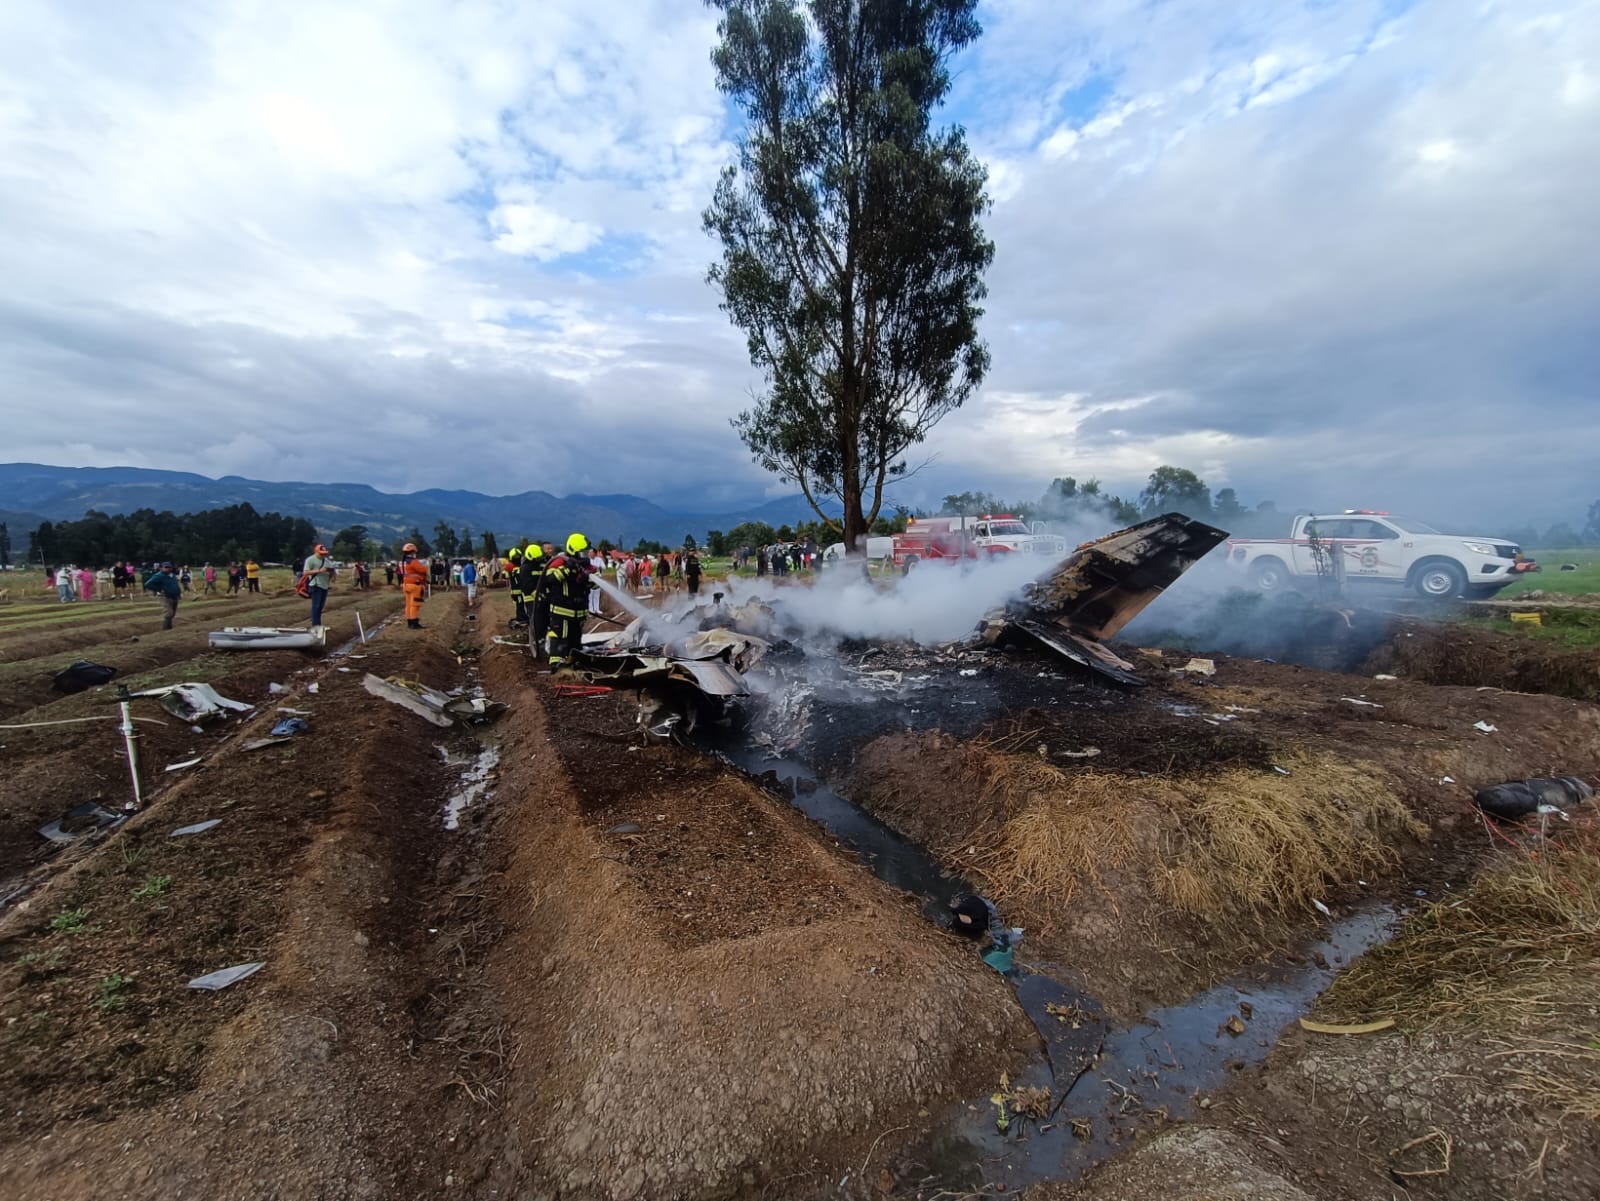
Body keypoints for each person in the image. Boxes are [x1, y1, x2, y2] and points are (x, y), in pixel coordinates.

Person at [542, 533, 595, 669]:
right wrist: (567, 570)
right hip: (562, 611)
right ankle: (557, 667)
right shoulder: (560, 562)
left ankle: (574, 662)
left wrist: (590, 581)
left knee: (575, 640)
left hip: (578, 612)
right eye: (581, 552)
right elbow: (549, 579)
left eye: (585, 552)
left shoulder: (584, 565)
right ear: (573, 550)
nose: (584, 555)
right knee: (560, 638)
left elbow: (592, 580)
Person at [520, 544, 548, 657]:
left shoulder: (542, 565)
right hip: (531, 599)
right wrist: (535, 594)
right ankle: (537, 642)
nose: (537, 560)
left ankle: (546, 640)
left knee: (546, 619)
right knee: (536, 621)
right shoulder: (525, 568)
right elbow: (526, 585)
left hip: (543, 597)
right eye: (536, 558)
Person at [302, 542, 333, 628]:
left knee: (321, 606)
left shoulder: (326, 561)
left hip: (324, 585)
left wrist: (331, 573)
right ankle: (315, 625)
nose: (323, 555)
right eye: (321, 554)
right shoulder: (310, 560)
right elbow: (305, 572)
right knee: (316, 605)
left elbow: (331, 570)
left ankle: (317, 623)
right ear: (316, 552)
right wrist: (319, 571)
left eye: (324, 554)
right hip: (315, 585)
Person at [398, 542, 428, 629]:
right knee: (415, 604)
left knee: (408, 605)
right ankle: (414, 623)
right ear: (412, 552)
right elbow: (423, 570)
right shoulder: (413, 562)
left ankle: (409, 622)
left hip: (406, 585)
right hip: (414, 585)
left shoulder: (403, 562)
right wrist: (426, 566)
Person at [143, 561, 182, 629]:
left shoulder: (172, 575)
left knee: (172, 614)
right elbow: (148, 584)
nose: (168, 569)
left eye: (169, 567)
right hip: (165, 596)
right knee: (168, 613)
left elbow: (175, 584)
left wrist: (178, 593)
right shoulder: (159, 575)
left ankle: (169, 627)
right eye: (166, 567)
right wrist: (159, 589)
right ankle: (166, 628)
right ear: (161, 568)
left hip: (174, 596)